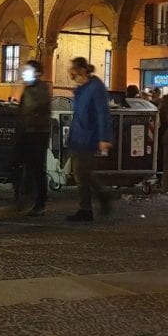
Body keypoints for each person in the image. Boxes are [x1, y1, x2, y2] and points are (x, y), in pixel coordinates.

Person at [65, 57, 113, 222]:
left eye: (74, 74)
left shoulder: (95, 87)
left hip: (88, 136)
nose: (73, 77)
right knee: (82, 172)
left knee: (81, 172)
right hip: (79, 135)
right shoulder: (84, 88)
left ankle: (87, 209)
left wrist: (104, 138)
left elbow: (102, 113)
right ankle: (101, 196)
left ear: (82, 71)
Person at [15, 59, 51, 217]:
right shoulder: (28, 89)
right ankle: (25, 198)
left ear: (37, 73)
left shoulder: (41, 89)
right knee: (23, 165)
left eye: (28, 71)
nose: (25, 74)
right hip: (27, 132)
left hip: (38, 133)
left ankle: (39, 202)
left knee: (37, 168)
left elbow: (35, 108)